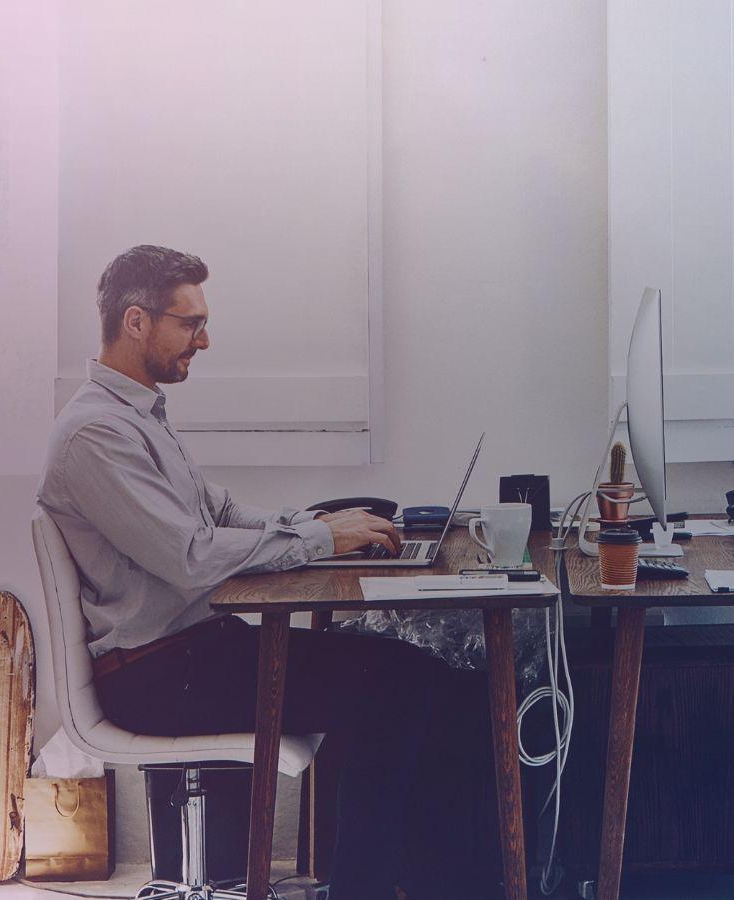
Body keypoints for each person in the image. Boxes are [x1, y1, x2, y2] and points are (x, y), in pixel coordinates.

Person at [41, 245, 486, 899]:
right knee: (395, 685)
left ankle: (425, 884)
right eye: (189, 323)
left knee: (422, 681)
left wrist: (320, 528)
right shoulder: (96, 436)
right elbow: (190, 556)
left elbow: (218, 512)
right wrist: (314, 537)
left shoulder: (136, 417)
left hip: (193, 654)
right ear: (136, 322)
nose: (205, 339)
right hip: (160, 673)